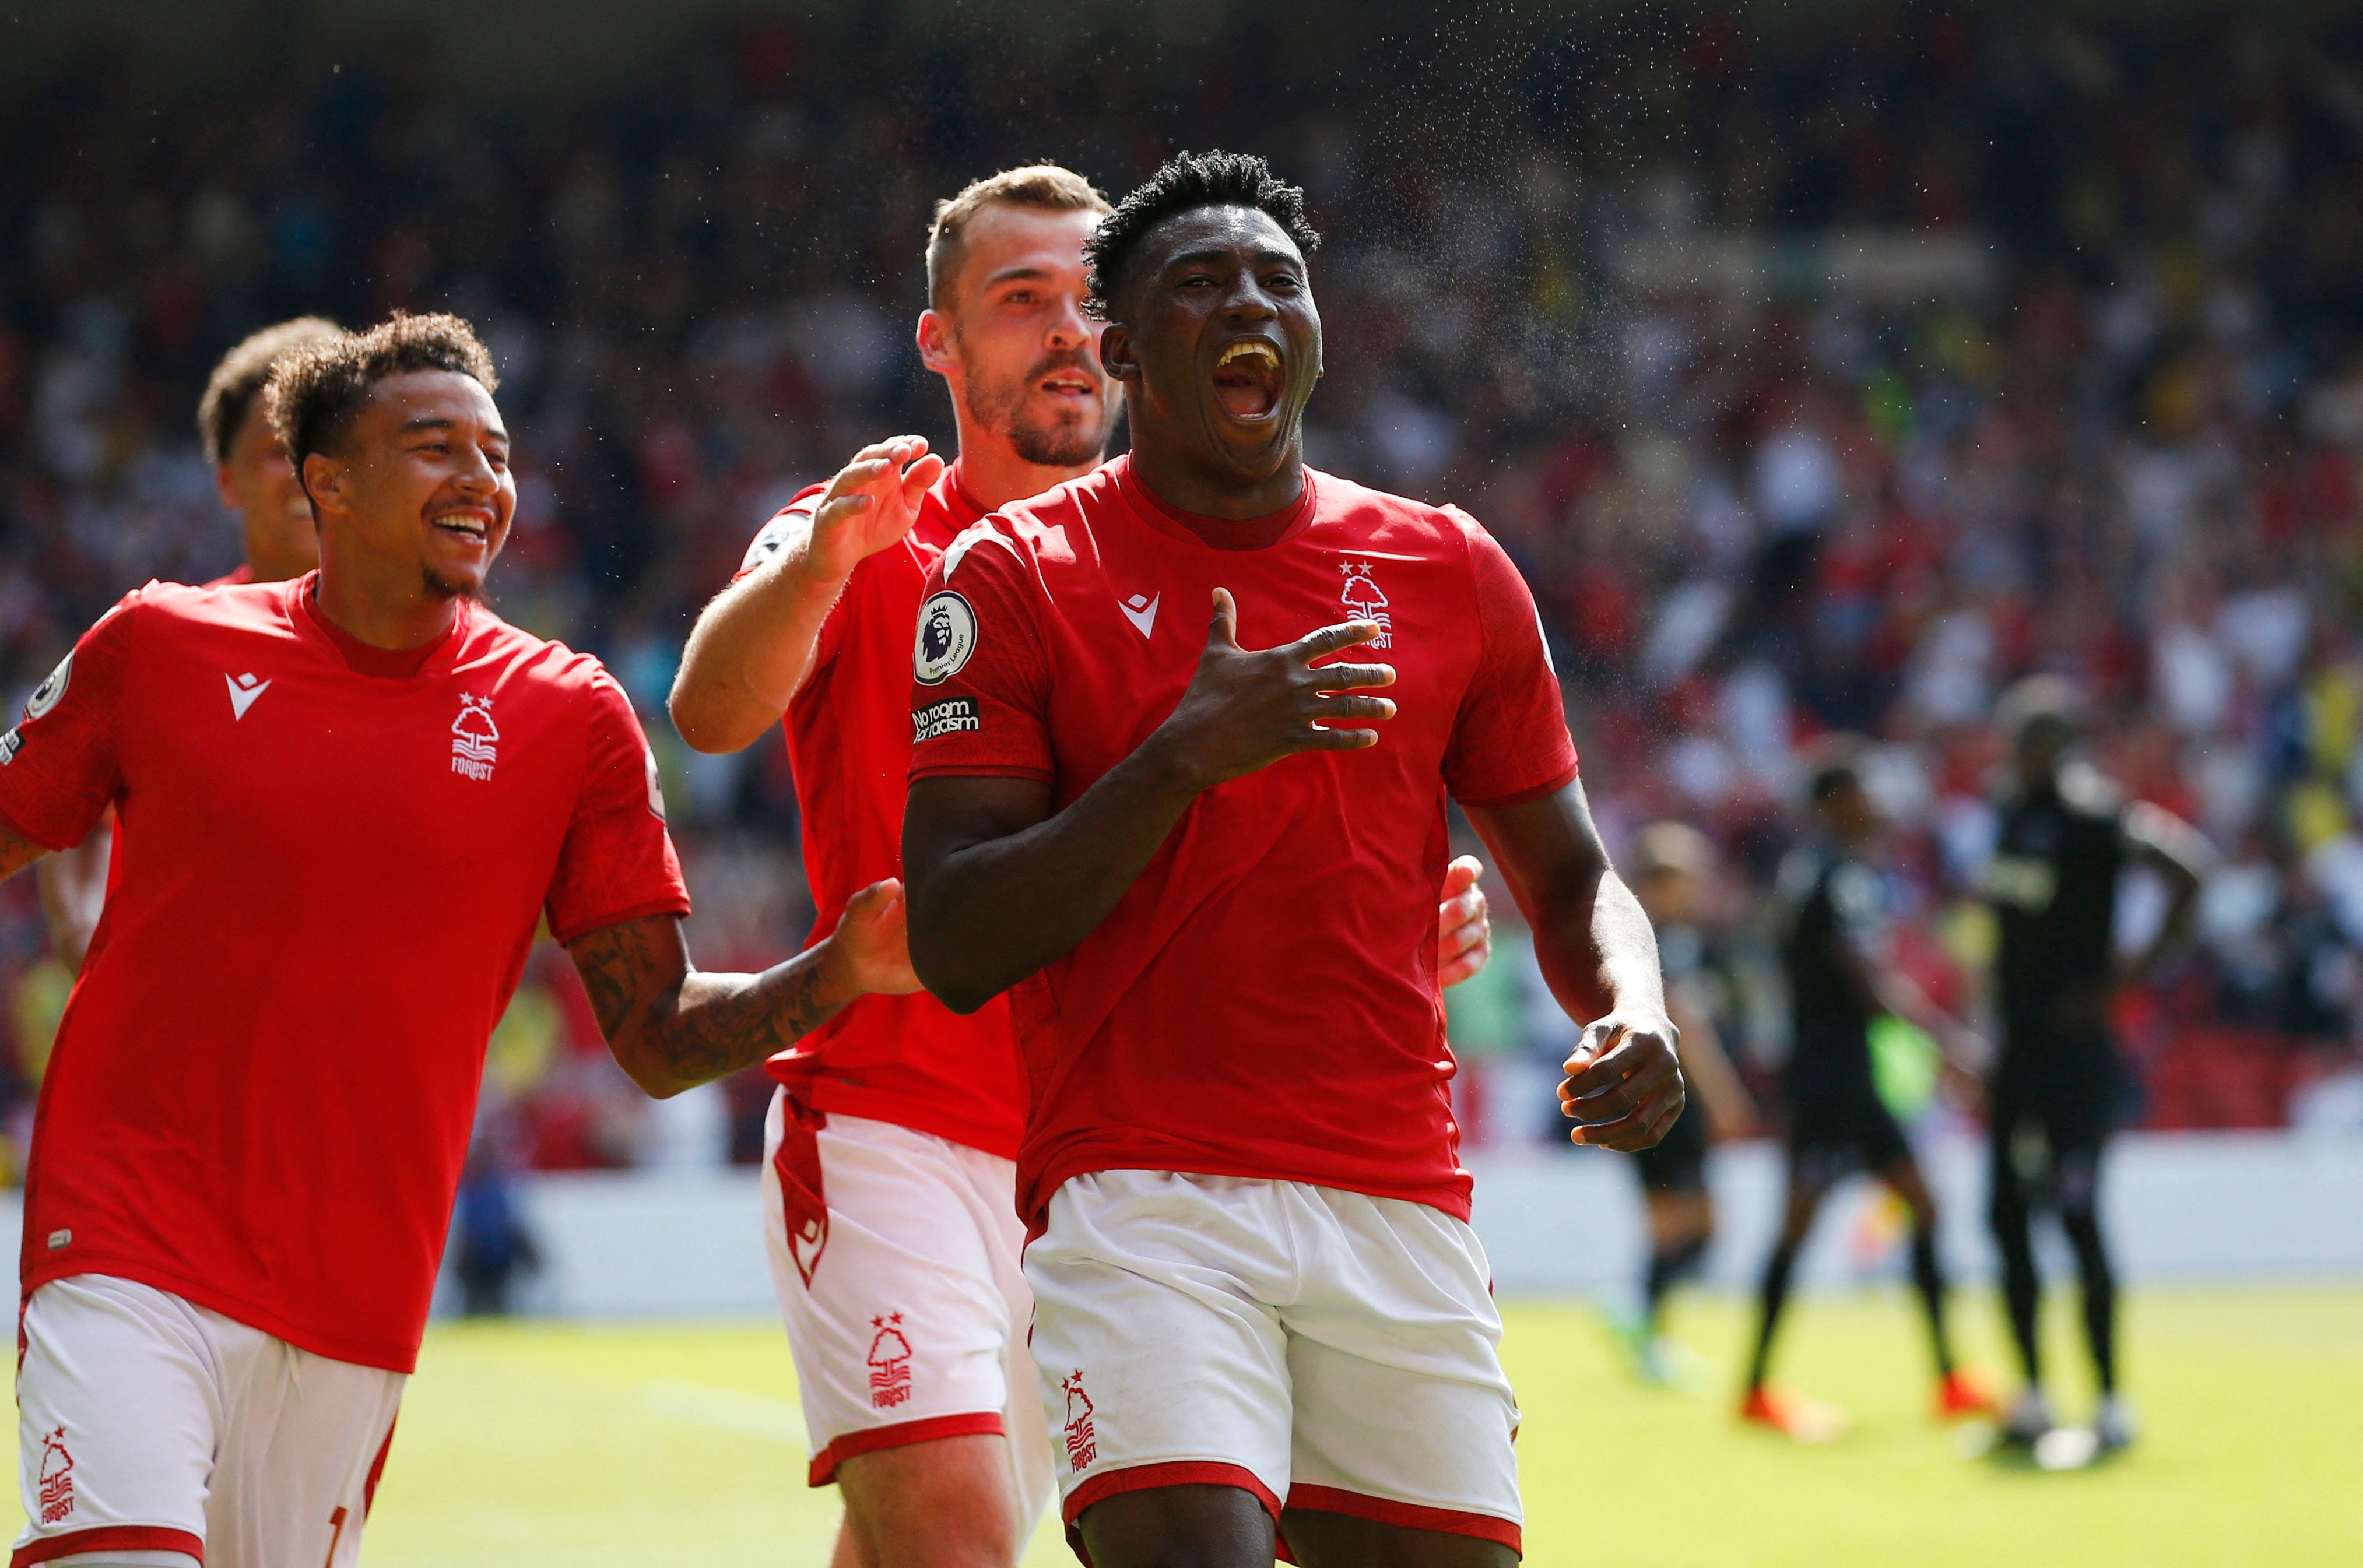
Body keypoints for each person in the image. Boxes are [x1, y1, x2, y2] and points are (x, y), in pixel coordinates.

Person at [0, 312, 917, 1568]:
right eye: (433, 446)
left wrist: (837, 969)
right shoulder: (161, 647)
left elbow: (657, 1033)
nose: (481, 478)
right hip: (128, 1232)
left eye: (497, 450)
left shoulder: (570, 716)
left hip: (356, 1296)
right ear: (328, 483)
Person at [668, 164, 1492, 1568]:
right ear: (938, 340)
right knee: (948, 1529)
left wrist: (1391, 932)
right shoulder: (861, 522)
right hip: (891, 1123)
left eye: (1082, 299)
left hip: (1129, 1155)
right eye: (1017, 299)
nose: (1062, 330)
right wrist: (815, 569)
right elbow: (708, 712)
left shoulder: (1185, 544)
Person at [900, 150, 1682, 1568]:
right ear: (1123, 348)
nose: (1247, 303)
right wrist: (1178, 758)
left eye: (1277, 280)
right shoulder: (1011, 574)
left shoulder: (1446, 568)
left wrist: (1631, 1003)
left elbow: (1569, 876)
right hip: (1143, 1196)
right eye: (1197, 285)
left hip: (1395, 1198)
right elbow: (955, 937)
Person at [36, 317, 345, 972]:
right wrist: (87, 945)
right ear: (226, 480)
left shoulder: (435, 660)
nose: (303, 471)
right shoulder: (163, 641)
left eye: (325, 443)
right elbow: (67, 821)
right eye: (274, 448)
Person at [1981, 676, 2207, 1458]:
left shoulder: (2094, 814)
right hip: (2017, 1052)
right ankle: (2034, 1399)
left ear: (2052, 743)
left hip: (2073, 1057)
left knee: (2075, 1218)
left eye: (2024, 740)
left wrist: (2120, 986)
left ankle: (2110, 1402)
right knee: (2008, 1216)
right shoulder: (2011, 815)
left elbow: (2190, 871)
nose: (2013, 754)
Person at [1741, 743, 1994, 1440]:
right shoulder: (1838, 875)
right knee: (1809, 1225)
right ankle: (1757, 1387)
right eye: (1863, 792)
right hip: (1834, 1080)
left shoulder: (1815, 873)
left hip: (1832, 1074)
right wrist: (1947, 1042)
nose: (1877, 804)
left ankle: (1946, 1377)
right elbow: (1866, 977)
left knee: (1918, 1204)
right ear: (1835, 804)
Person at [1610, 821, 1761, 1386]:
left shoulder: (1638, 935)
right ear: (1660, 881)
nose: (1699, 887)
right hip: (1667, 1098)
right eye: (1688, 875)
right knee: (1695, 1229)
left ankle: (1647, 1330)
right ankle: (1638, 1318)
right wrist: (1725, 1098)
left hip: (1638, 1095)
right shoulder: (1666, 938)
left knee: (1675, 1229)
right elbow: (1688, 1027)